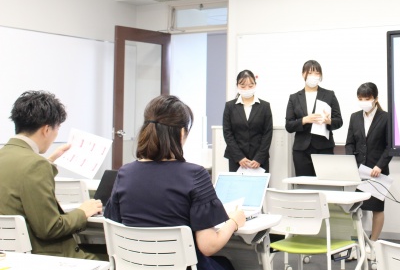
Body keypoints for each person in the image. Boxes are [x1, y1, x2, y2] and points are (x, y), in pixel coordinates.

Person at [105, 95, 245, 270]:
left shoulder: (124, 174)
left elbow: (113, 225)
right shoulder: (195, 175)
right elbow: (209, 245)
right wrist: (234, 221)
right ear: (181, 133)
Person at [0, 90, 102, 258]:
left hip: (11, 256)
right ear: (46, 129)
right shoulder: (35, 165)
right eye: (57, 128)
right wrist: (83, 212)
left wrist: (50, 161)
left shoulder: (7, 156)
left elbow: (19, 176)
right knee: (114, 258)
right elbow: (50, 228)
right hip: (46, 257)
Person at [345, 82, 392, 242]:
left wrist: (380, 165)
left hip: (378, 171)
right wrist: (351, 163)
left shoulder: (386, 117)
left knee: (377, 209)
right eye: (360, 99)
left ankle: (373, 243)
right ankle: (358, 242)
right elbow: (349, 143)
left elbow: (390, 146)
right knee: (356, 207)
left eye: (367, 99)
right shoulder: (355, 117)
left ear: (375, 99)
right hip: (359, 171)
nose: (363, 102)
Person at [285, 60, 343, 176]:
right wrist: (304, 120)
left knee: (325, 182)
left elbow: (339, 121)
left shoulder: (329, 95)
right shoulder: (294, 98)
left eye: (317, 73)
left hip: (324, 148)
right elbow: (289, 126)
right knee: (303, 183)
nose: (314, 76)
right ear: (303, 74)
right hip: (301, 150)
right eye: (310, 73)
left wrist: (329, 121)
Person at [222, 70, 273, 172]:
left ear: (255, 85)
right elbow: (227, 133)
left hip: (259, 159)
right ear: (237, 86)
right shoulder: (229, 106)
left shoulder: (265, 106)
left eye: (250, 86)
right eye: (243, 86)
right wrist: (239, 157)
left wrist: (259, 158)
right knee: (237, 183)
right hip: (236, 159)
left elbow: (267, 133)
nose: (247, 89)